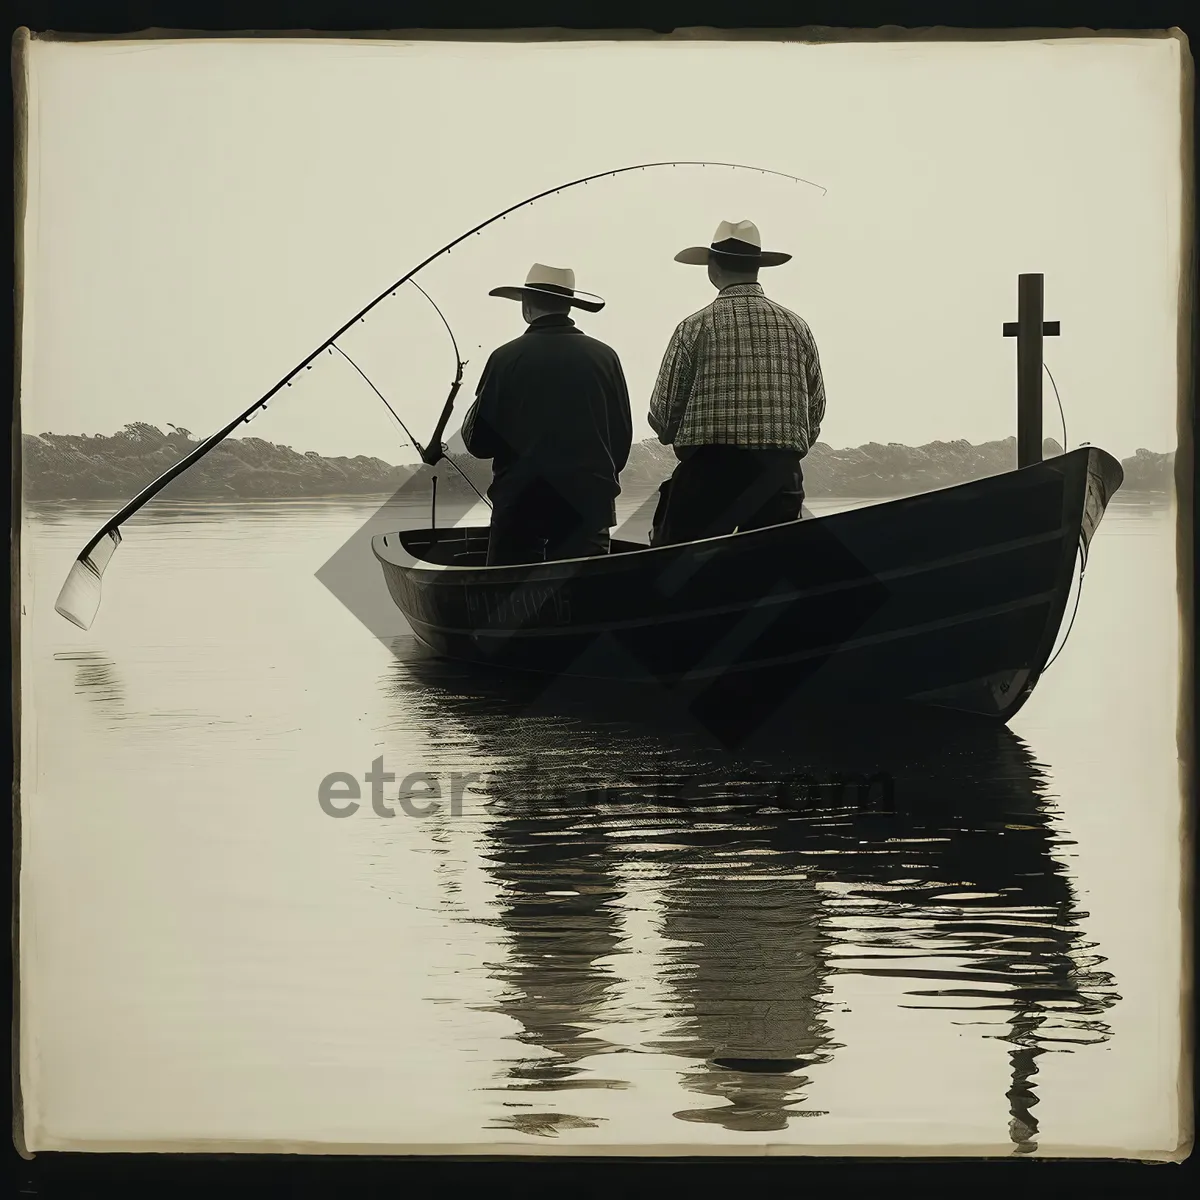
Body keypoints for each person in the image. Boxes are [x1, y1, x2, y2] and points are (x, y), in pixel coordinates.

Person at [647, 219, 826, 546]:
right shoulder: (798, 328)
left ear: (712, 267)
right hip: (779, 474)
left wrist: (671, 433)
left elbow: (663, 413)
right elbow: (814, 412)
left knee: (675, 574)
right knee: (771, 573)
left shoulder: (693, 328)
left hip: (708, 473)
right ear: (758, 268)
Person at [462, 264, 633, 566]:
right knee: (584, 600)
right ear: (568, 305)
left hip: (519, 505)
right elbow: (620, 439)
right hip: (589, 503)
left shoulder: (505, 358)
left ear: (526, 306)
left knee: (507, 603)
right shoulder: (605, 357)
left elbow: (479, 444)